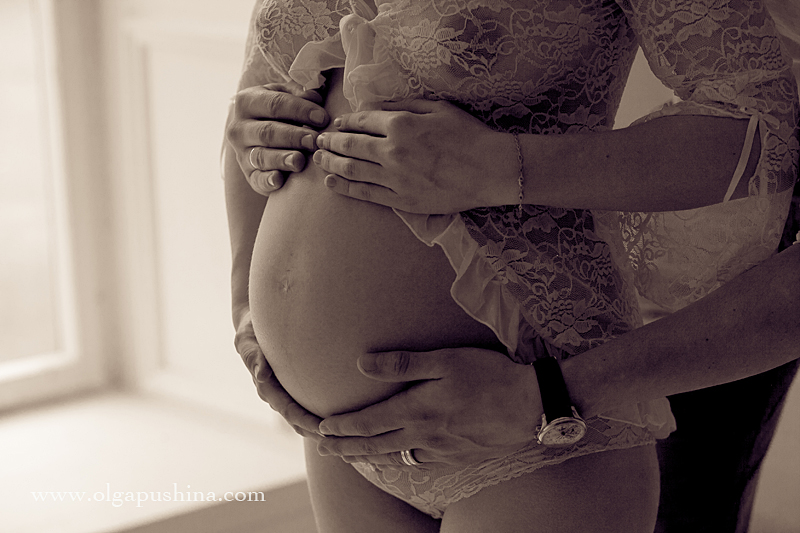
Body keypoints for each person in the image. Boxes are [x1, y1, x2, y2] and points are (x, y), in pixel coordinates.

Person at [224, 0, 798, 531]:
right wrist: (247, 307)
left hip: (533, 424)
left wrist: (503, 166)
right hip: (343, 442)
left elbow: (762, 128)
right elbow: (251, 111)